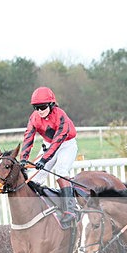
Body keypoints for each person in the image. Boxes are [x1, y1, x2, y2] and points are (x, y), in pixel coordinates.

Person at [19, 86, 79, 227]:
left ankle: (70, 210)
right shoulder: (34, 118)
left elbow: (58, 141)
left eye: (42, 106)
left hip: (66, 145)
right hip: (48, 145)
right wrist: (23, 158)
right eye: (36, 107)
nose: (39, 111)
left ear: (52, 104)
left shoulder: (60, 116)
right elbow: (28, 137)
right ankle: (38, 209)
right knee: (35, 176)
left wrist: (44, 160)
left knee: (60, 172)